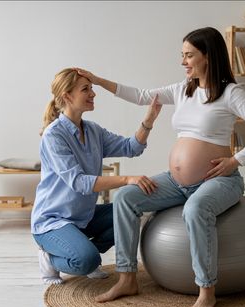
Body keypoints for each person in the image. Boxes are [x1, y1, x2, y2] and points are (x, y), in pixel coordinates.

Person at [77, 26, 245, 307]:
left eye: (188, 55)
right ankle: (127, 278)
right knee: (126, 198)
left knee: (195, 210)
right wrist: (97, 80)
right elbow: (141, 96)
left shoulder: (230, 93)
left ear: (207, 56)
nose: (183, 62)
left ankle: (206, 289)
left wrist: (236, 161)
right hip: (176, 182)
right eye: (182, 55)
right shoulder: (183, 90)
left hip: (219, 181)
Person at [31, 68, 162, 285]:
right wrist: (127, 179)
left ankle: (84, 249)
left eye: (92, 88)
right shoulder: (53, 135)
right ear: (67, 96)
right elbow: (79, 182)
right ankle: (52, 259)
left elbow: (132, 148)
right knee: (86, 261)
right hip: (53, 221)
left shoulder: (93, 131)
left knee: (129, 212)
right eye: (86, 89)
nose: (93, 94)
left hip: (84, 216)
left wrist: (149, 120)